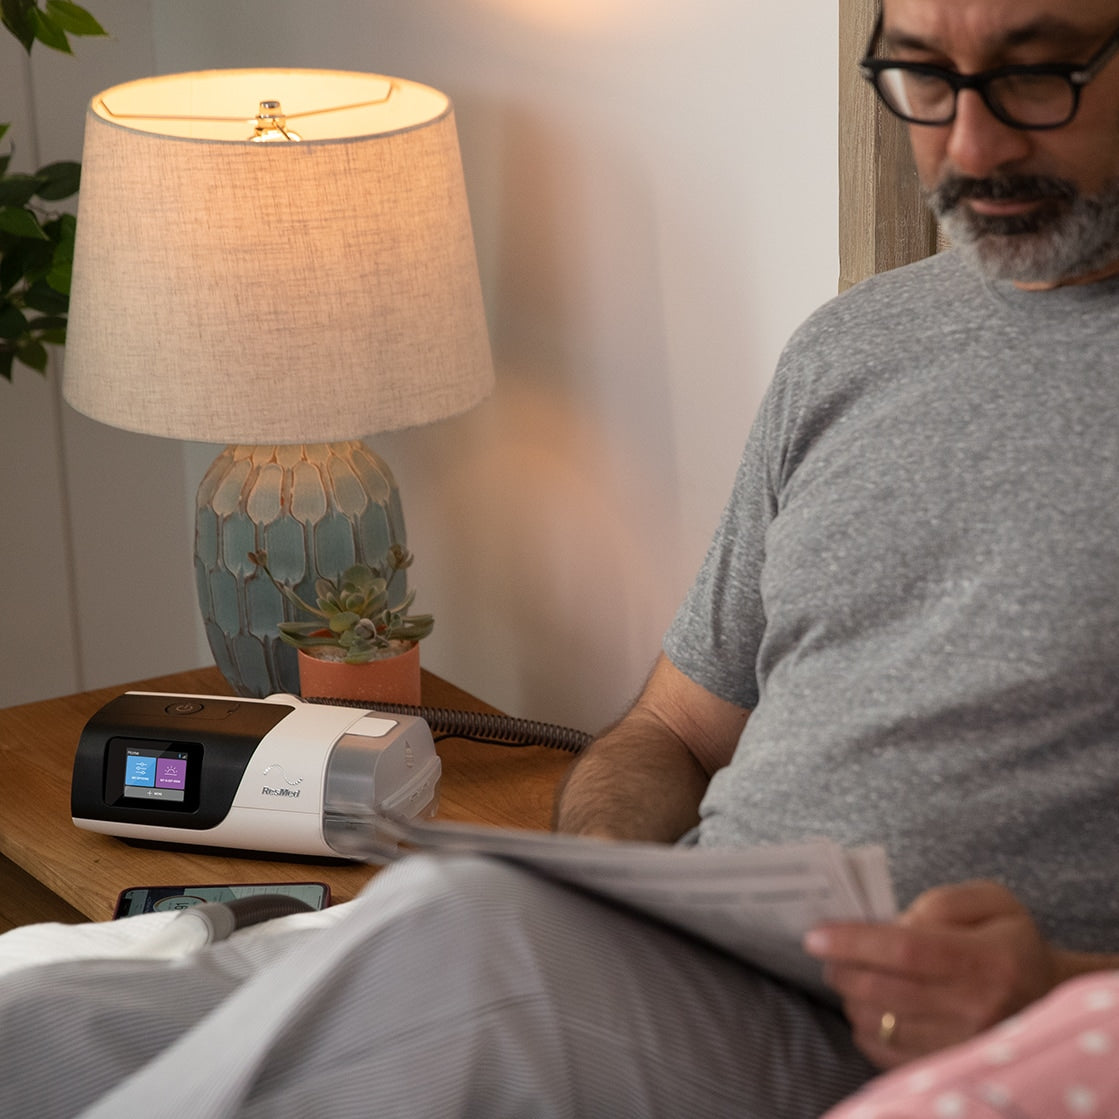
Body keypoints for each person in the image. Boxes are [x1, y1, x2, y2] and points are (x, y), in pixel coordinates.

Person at [1, 0, 1118, 1115]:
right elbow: (673, 730)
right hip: (678, 954)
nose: (971, 144)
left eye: (1037, 74)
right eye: (925, 77)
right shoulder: (856, 346)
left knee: (470, 938)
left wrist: (1047, 989)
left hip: (875, 1045)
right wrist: (605, 870)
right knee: (45, 1019)